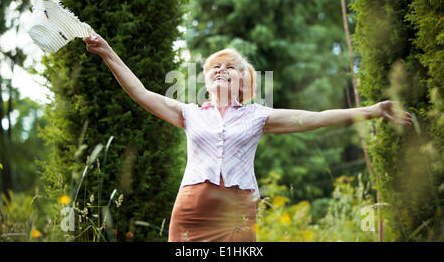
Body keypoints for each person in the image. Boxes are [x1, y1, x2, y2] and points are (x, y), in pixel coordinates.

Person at [84, 33, 413, 242]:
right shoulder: (189, 112)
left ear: (244, 82)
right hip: (191, 214)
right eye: (215, 66)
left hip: (237, 213)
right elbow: (140, 92)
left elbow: (318, 119)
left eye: (230, 66)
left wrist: (372, 109)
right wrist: (107, 51)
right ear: (207, 80)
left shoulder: (259, 116)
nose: (222, 69)